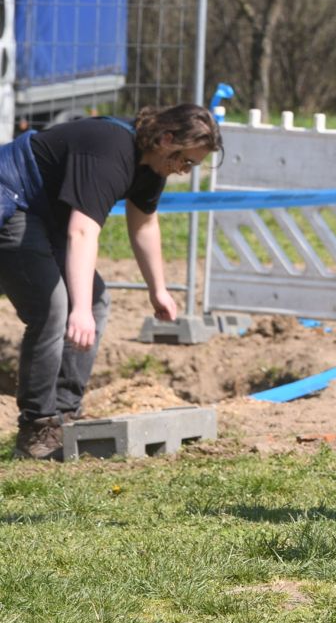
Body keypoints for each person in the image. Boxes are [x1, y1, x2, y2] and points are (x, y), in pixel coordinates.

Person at [0, 104, 220, 460]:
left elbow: (144, 224)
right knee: (55, 308)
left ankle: (65, 414)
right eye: (186, 162)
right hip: (12, 200)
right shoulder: (111, 151)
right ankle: (36, 429)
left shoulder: (152, 165)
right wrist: (79, 310)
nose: (183, 171)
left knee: (97, 300)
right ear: (167, 140)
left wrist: (158, 288)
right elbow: (83, 230)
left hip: (43, 217)